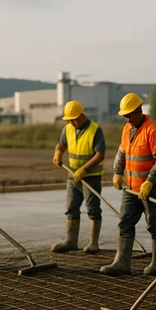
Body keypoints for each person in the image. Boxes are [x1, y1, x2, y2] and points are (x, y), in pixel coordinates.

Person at [101, 93, 156, 276]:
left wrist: (150, 182)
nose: (127, 118)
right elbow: (121, 153)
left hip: (151, 187)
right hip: (131, 187)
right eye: (125, 115)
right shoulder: (127, 129)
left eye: (130, 114)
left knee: (154, 224)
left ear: (140, 111)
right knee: (125, 222)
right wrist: (117, 172)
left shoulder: (153, 129)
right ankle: (122, 263)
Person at [50, 100, 106, 254]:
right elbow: (61, 145)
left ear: (82, 115)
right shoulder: (67, 129)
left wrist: (85, 168)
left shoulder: (95, 130)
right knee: (71, 208)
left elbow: (100, 154)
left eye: (73, 119)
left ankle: (93, 243)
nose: (71, 122)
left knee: (93, 209)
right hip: (72, 176)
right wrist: (58, 153)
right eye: (69, 120)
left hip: (91, 177)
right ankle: (70, 241)